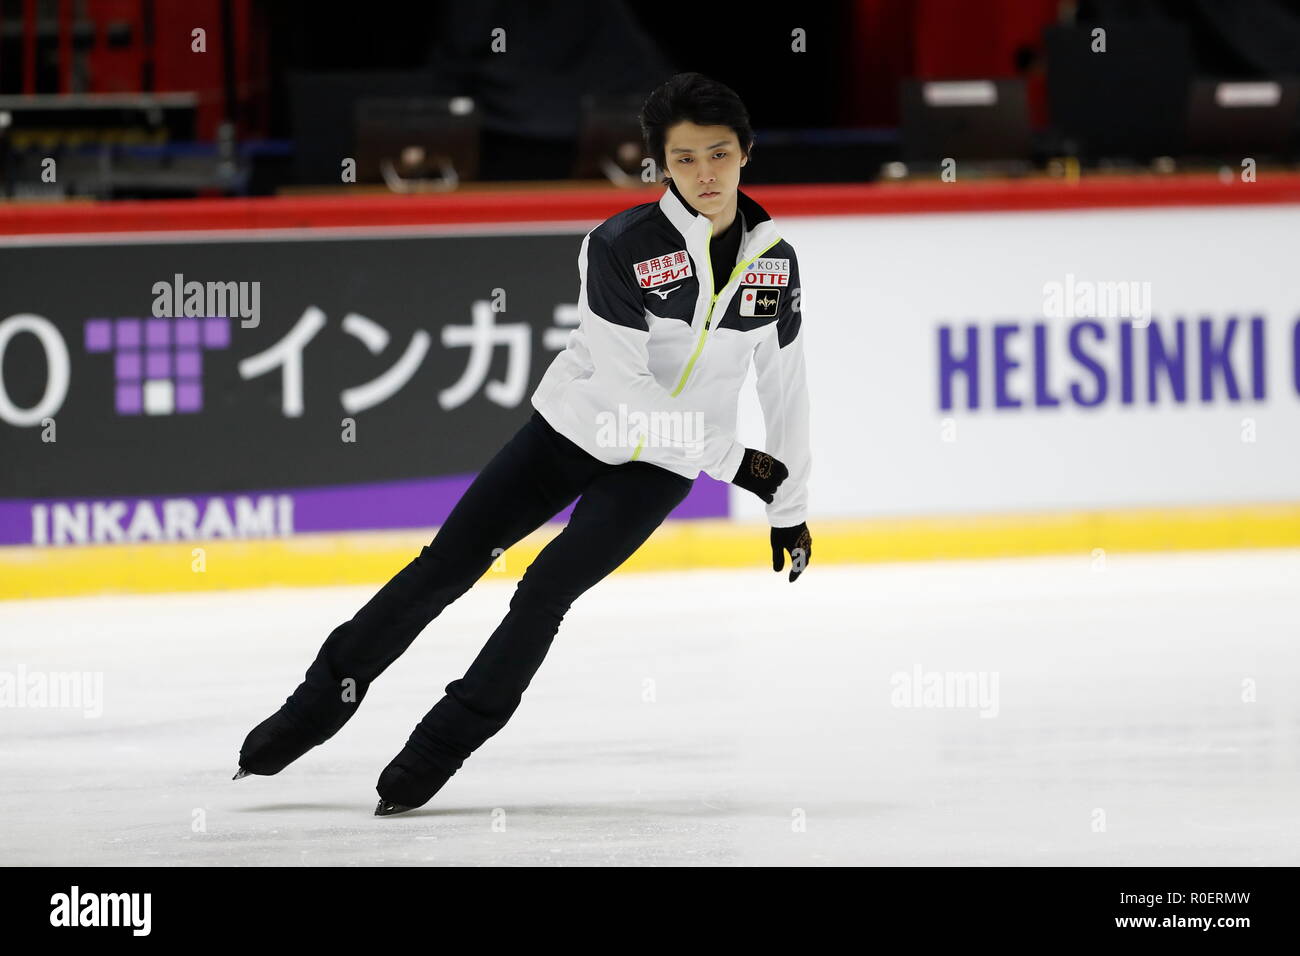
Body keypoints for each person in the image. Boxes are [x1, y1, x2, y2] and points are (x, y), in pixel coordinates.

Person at [234, 72, 813, 816]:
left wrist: (789, 505)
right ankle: (314, 708)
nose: (705, 173)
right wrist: (741, 463)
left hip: (662, 467)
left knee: (545, 591)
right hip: (575, 431)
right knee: (447, 566)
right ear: (661, 166)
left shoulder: (777, 261)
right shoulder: (621, 246)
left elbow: (786, 384)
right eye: (686, 158)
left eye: (720, 154)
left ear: (746, 154)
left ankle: (441, 746)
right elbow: (625, 390)